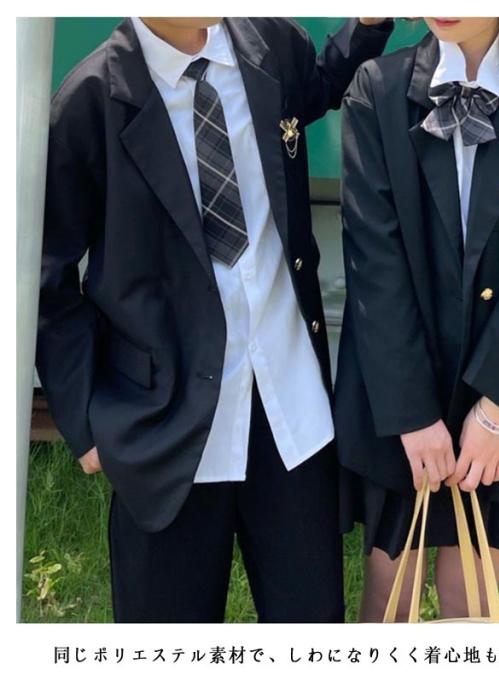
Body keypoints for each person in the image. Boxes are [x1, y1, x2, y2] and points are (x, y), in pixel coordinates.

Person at [37, 16, 394, 623]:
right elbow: (48, 272)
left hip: (290, 413)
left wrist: (369, 23)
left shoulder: (271, 44)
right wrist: (85, 418)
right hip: (164, 422)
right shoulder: (92, 100)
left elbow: (318, 86)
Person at [335, 17, 499, 621]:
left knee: (469, 599)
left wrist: (496, 409)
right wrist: (411, 413)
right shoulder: (377, 88)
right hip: (401, 382)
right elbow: (374, 262)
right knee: (389, 594)